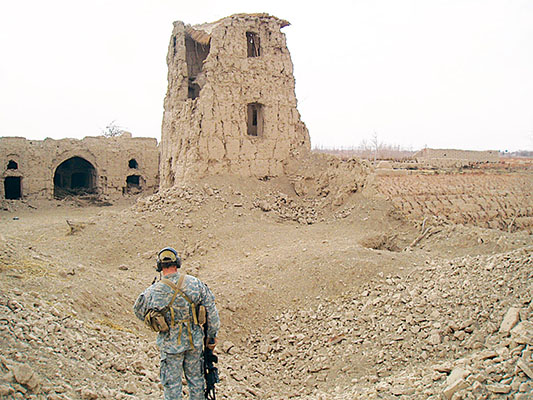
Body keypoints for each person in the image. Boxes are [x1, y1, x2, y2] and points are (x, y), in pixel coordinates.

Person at [134, 247, 220, 400]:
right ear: (178, 263)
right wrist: (211, 338)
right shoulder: (195, 284)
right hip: (194, 344)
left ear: (159, 266)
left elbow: (138, 310)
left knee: (172, 386)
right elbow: (212, 312)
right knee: (197, 383)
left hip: (170, 345)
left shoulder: (153, 291)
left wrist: (157, 323)